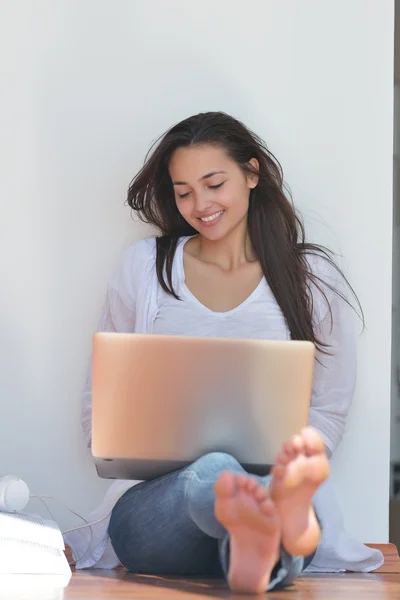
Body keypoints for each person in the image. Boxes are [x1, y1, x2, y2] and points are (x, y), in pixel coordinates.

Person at [64, 112, 384, 591]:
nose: (200, 204)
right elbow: (101, 400)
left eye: (214, 184)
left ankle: (258, 535)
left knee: (242, 486)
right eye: (184, 191)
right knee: (215, 474)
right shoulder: (145, 269)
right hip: (159, 510)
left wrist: (291, 460)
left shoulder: (311, 277)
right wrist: (131, 446)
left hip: (272, 483)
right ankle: (268, 518)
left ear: (252, 173)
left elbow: (329, 410)